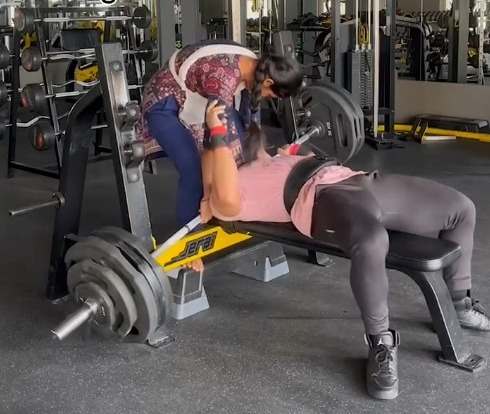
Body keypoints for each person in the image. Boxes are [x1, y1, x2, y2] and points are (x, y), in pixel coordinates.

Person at [201, 101, 490, 401]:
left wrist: (294, 152)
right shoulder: (230, 190)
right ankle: (381, 343)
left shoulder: (271, 154)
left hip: (360, 180)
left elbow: (308, 152)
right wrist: (217, 134)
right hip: (320, 200)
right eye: (228, 135)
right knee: (371, 241)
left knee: (461, 209)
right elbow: (224, 200)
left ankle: (459, 303)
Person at [137, 39, 303, 227]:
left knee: (240, 148)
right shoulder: (223, 77)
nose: (267, 98)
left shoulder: (255, 66)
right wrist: (207, 197)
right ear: (268, 81)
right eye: (270, 95)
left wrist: (265, 157)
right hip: (165, 102)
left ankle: (220, 213)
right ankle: (190, 239)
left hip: (197, 97)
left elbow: (251, 126)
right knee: (193, 169)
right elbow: (213, 143)